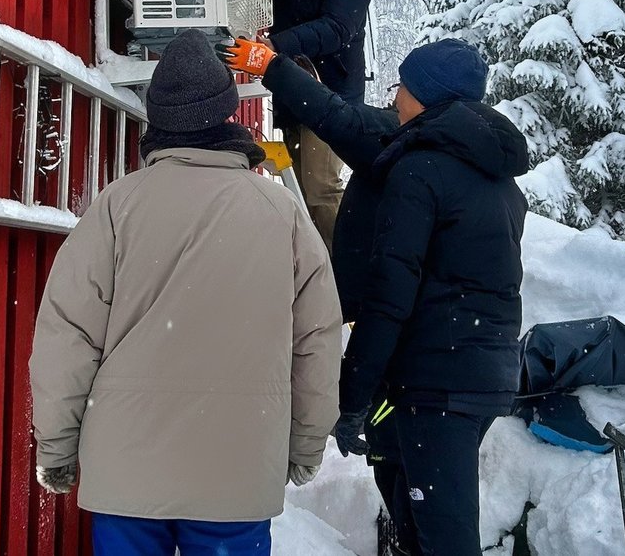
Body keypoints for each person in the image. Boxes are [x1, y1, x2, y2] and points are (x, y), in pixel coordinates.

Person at [29, 28, 342, 556]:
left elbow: (67, 333)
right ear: (225, 113)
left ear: (157, 118)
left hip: (127, 474)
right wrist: (306, 443)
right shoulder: (281, 214)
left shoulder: (115, 207)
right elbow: (316, 339)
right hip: (235, 472)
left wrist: (57, 447)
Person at [221, 37, 529, 555]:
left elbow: (391, 297)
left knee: (445, 539)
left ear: (428, 97)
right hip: (470, 375)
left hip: (438, 385)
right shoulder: (494, 180)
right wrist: (273, 67)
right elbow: (340, 118)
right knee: (403, 493)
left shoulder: (419, 170)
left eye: (404, 86)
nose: (395, 95)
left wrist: (352, 399)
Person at [264, 0, 374, 253]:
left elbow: (338, 27)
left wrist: (277, 45)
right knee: (293, 192)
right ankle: (310, 273)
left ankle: (348, 278)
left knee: (319, 189)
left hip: (331, 93)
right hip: (289, 88)